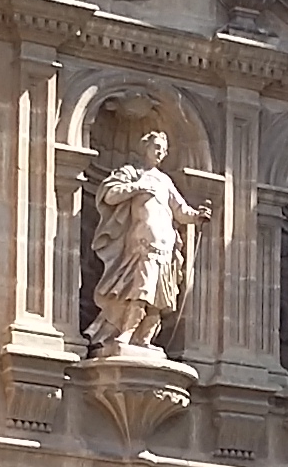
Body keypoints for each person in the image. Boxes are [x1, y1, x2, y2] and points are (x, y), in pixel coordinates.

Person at [84, 130, 207, 355]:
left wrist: (197, 216)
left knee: (161, 298)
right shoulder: (132, 173)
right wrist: (136, 187)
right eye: (156, 147)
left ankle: (144, 339)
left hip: (166, 249)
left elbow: (180, 211)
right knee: (142, 290)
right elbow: (110, 194)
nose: (160, 152)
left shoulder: (164, 180)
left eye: (163, 149)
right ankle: (126, 334)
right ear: (145, 148)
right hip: (141, 245)